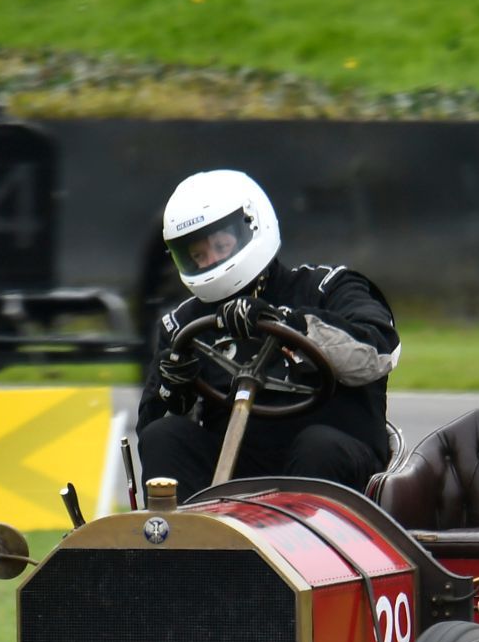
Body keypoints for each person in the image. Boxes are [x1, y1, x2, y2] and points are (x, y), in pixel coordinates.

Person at [137, 170, 400, 498]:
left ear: (253, 225)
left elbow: (379, 353)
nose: (211, 260)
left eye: (221, 245)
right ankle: (189, 545)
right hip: (237, 471)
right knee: (164, 436)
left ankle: (303, 546)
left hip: (332, 467)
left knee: (317, 446)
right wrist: (174, 391)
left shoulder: (328, 288)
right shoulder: (184, 326)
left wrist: (290, 324)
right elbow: (151, 432)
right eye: (198, 255)